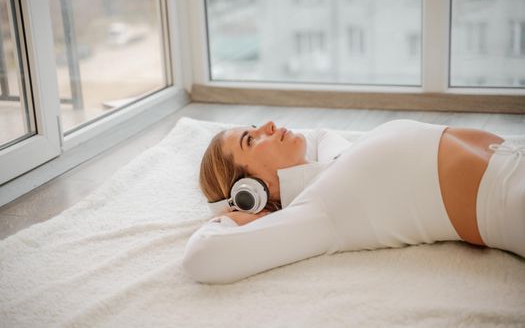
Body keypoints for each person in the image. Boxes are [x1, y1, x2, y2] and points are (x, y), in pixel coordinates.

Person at [182, 120, 525, 284]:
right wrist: (231, 218)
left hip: (513, 161)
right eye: (251, 139)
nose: (269, 125)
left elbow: (320, 135)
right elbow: (203, 259)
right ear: (249, 191)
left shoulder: (333, 164)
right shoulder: (318, 212)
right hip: (508, 200)